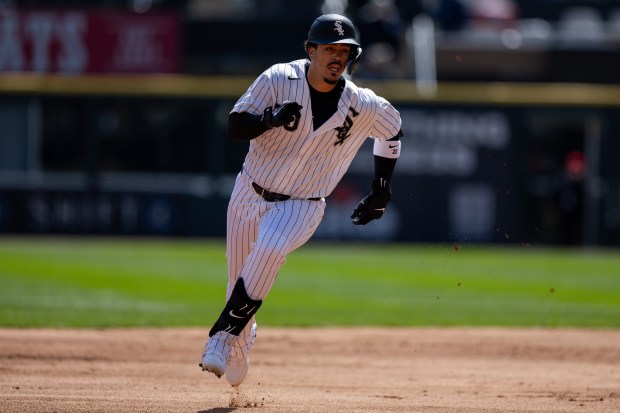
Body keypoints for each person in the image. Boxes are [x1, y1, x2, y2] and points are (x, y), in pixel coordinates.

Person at [199, 13, 403, 387]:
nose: (337, 56)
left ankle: (222, 336)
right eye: (329, 48)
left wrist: (381, 189)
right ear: (311, 50)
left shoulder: (363, 103)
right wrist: (270, 119)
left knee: (272, 248)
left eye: (345, 50)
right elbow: (234, 125)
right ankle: (241, 344)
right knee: (238, 281)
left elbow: (393, 131)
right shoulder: (278, 79)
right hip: (250, 191)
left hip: (304, 202)